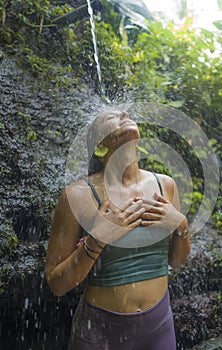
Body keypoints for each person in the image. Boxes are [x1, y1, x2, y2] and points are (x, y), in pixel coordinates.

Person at [45, 109, 190, 350]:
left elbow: (176, 260)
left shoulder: (165, 185)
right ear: (100, 146)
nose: (123, 113)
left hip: (159, 326)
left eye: (125, 112)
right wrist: (97, 239)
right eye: (110, 117)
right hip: (101, 333)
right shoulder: (77, 196)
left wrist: (181, 225)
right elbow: (56, 284)